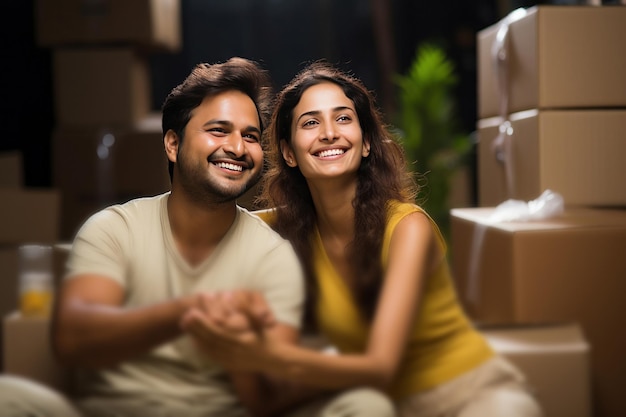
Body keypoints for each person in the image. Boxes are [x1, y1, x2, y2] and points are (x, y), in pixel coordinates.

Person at [0, 58, 395, 417]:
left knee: (366, 406)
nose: (237, 148)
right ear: (173, 144)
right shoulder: (115, 228)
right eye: (218, 130)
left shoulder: (271, 254)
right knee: (8, 396)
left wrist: (245, 347)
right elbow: (73, 338)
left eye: (251, 136)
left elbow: (264, 396)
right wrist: (188, 311)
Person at [181, 61, 545, 417]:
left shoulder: (406, 229)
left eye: (343, 118)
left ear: (366, 142)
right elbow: (208, 220)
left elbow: (380, 367)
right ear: (289, 152)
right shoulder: (283, 230)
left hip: (468, 397)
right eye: (310, 123)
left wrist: (265, 357)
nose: (329, 133)